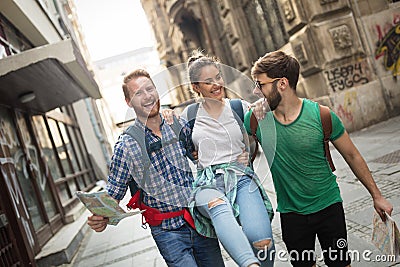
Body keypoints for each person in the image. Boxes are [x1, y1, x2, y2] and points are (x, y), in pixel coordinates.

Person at [245, 50, 394, 267]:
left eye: (260, 85)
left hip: (328, 208)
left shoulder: (321, 115)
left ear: (282, 84)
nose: (255, 91)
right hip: (291, 214)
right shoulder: (256, 120)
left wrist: (377, 196)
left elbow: (352, 156)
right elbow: (234, 146)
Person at [87, 69, 224, 267]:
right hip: (168, 233)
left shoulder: (177, 124)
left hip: (200, 220)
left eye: (149, 89)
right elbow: (113, 192)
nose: (147, 96)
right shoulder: (126, 145)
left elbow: (200, 153)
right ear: (128, 102)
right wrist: (99, 217)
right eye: (138, 93)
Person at [181, 51, 275, 267]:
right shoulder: (188, 115)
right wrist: (166, 116)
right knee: (217, 206)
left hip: (241, 178)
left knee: (263, 241)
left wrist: (249, 149)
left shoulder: (238, 107)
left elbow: (258, 134)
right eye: (208, 81)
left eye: (218, 77)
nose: (216, 84)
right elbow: (180, 145)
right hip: (208, 183)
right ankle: (249, 264)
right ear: (196, 87)